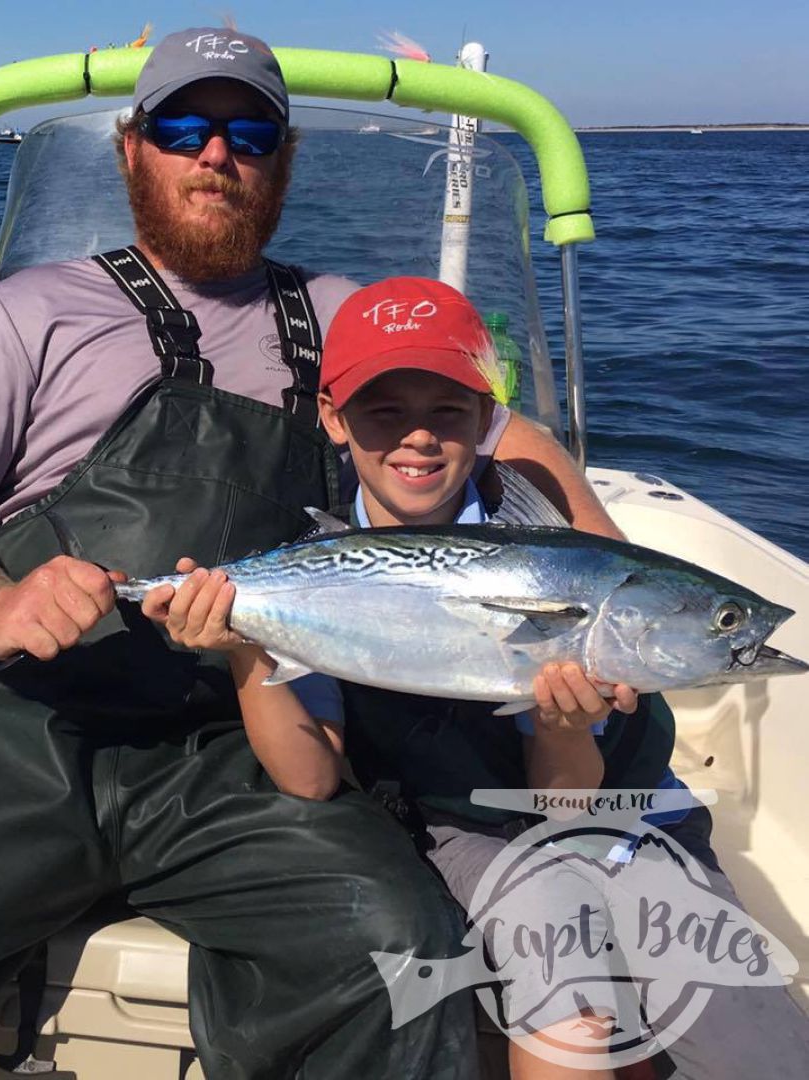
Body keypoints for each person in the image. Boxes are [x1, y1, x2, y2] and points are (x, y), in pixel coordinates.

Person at [0, 27, 617, 1080]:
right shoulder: (31, 312)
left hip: (236, 742)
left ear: (281, 158)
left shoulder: (336, 317)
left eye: (248, 131)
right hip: (12, 727)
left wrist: (602, 588)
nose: (215, 154)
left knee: (401, 960)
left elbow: (504, 434)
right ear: (130, 149)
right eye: (182, 127)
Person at [154, 277, 809, 1079]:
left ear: (487, 420)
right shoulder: (307, 563)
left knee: (752, 1037)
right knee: (567, 985)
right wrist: (244, 645)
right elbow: (310, 775)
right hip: (475, 821)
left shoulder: (552, 544)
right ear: (333, 418)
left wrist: (568, 721)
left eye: (448, 413)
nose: (418, 439)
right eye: (384, 412)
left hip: (626, 808)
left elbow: (569, 800)